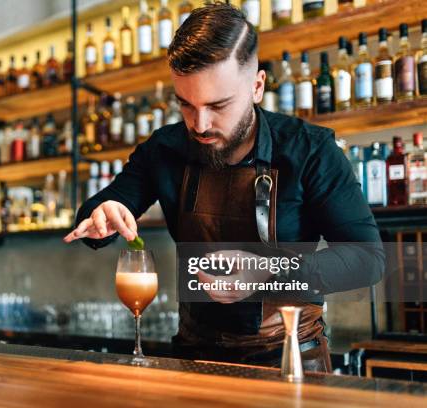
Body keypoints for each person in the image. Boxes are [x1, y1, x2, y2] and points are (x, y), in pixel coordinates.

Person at [63, 2, 384, 372]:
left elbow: (367, 259)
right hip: (193, 358)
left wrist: (272, 270)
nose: (200, 124)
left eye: (219, 106)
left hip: (290, 359)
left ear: (257, 86)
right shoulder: (163, 149)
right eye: (186, 105)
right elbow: (97, 218)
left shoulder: (310, 149)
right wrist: (102, 213)